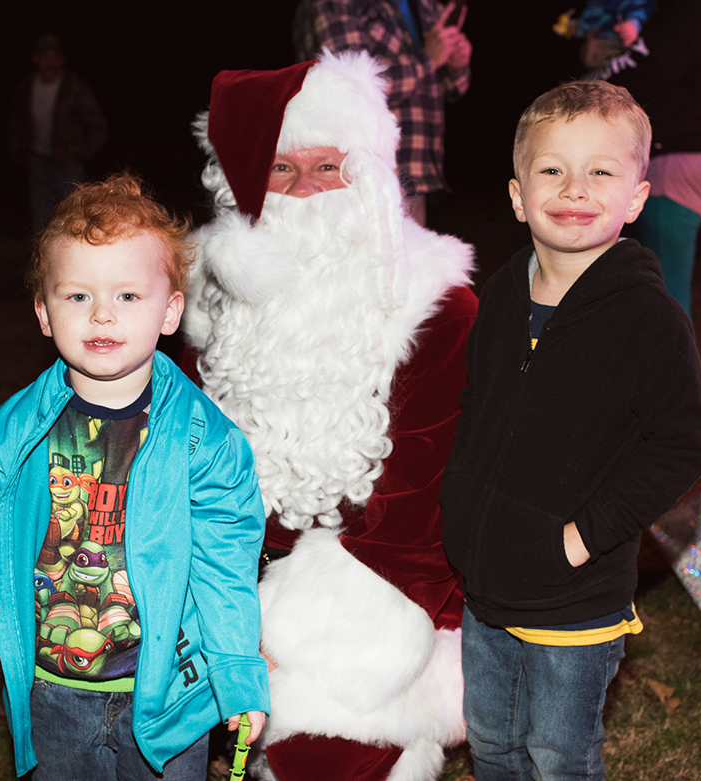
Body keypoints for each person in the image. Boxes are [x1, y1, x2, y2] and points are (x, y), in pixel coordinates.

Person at [0, 173, 269, 780]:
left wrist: (235, 673)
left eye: (128, 296)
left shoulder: (206, 440)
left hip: (169, 697)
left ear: (170, 310)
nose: (102, 313)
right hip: (55, 695)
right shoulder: (15, 430)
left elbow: (225, 559)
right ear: (44, 313)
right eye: (78, 297)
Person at [182, 51, 476, 781]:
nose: (306, 192)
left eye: (328, 168)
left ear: (370, 176)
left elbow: (419, 521)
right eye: (282, 171)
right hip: (239, 577)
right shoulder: (205, 312)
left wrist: (277, 630)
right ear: (244, 187)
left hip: (384, 591)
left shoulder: (439, 312)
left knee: (323, 754)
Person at [440, 80, 701, 780]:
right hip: (486, 581)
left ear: (637, 198)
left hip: (575, 592)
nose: (575, 188)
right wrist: (462, 506)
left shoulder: (647, 319)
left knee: (556, 753)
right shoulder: (499, 297)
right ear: (517, 194)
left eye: (601, 171)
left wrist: (584, 536)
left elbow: (680, 442)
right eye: (553, 169)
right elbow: (478, 406)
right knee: (493, 744)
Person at [581, 0, 701, 317]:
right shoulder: (673, 10)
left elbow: (643, 72)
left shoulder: (694, 9)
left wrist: (591, 75)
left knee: (663, 311)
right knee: (641, 306)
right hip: (665, 163)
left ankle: (674, 367)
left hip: (672, 166)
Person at [292, 0, 472, 226]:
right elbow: (349, 85)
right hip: (357, 173)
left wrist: (456, 63)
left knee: (413, 257)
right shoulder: (334, 3)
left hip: (416, 167)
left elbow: (452, 87)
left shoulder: (424, 5)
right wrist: (428, 59)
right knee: (363, 256)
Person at [9, 33, 108, 231]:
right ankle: (44, 263)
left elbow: (98, 126)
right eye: (45, 56)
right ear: (35, 58)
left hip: (68, 167)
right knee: (41, 225)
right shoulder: (27, 87)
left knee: (74, 223)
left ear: (62, 58)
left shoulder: (73, 86)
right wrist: (23, 154)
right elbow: (16, 124)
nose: (50, 62)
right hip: (38, 164)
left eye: (55, 56)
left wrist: (79, 153)